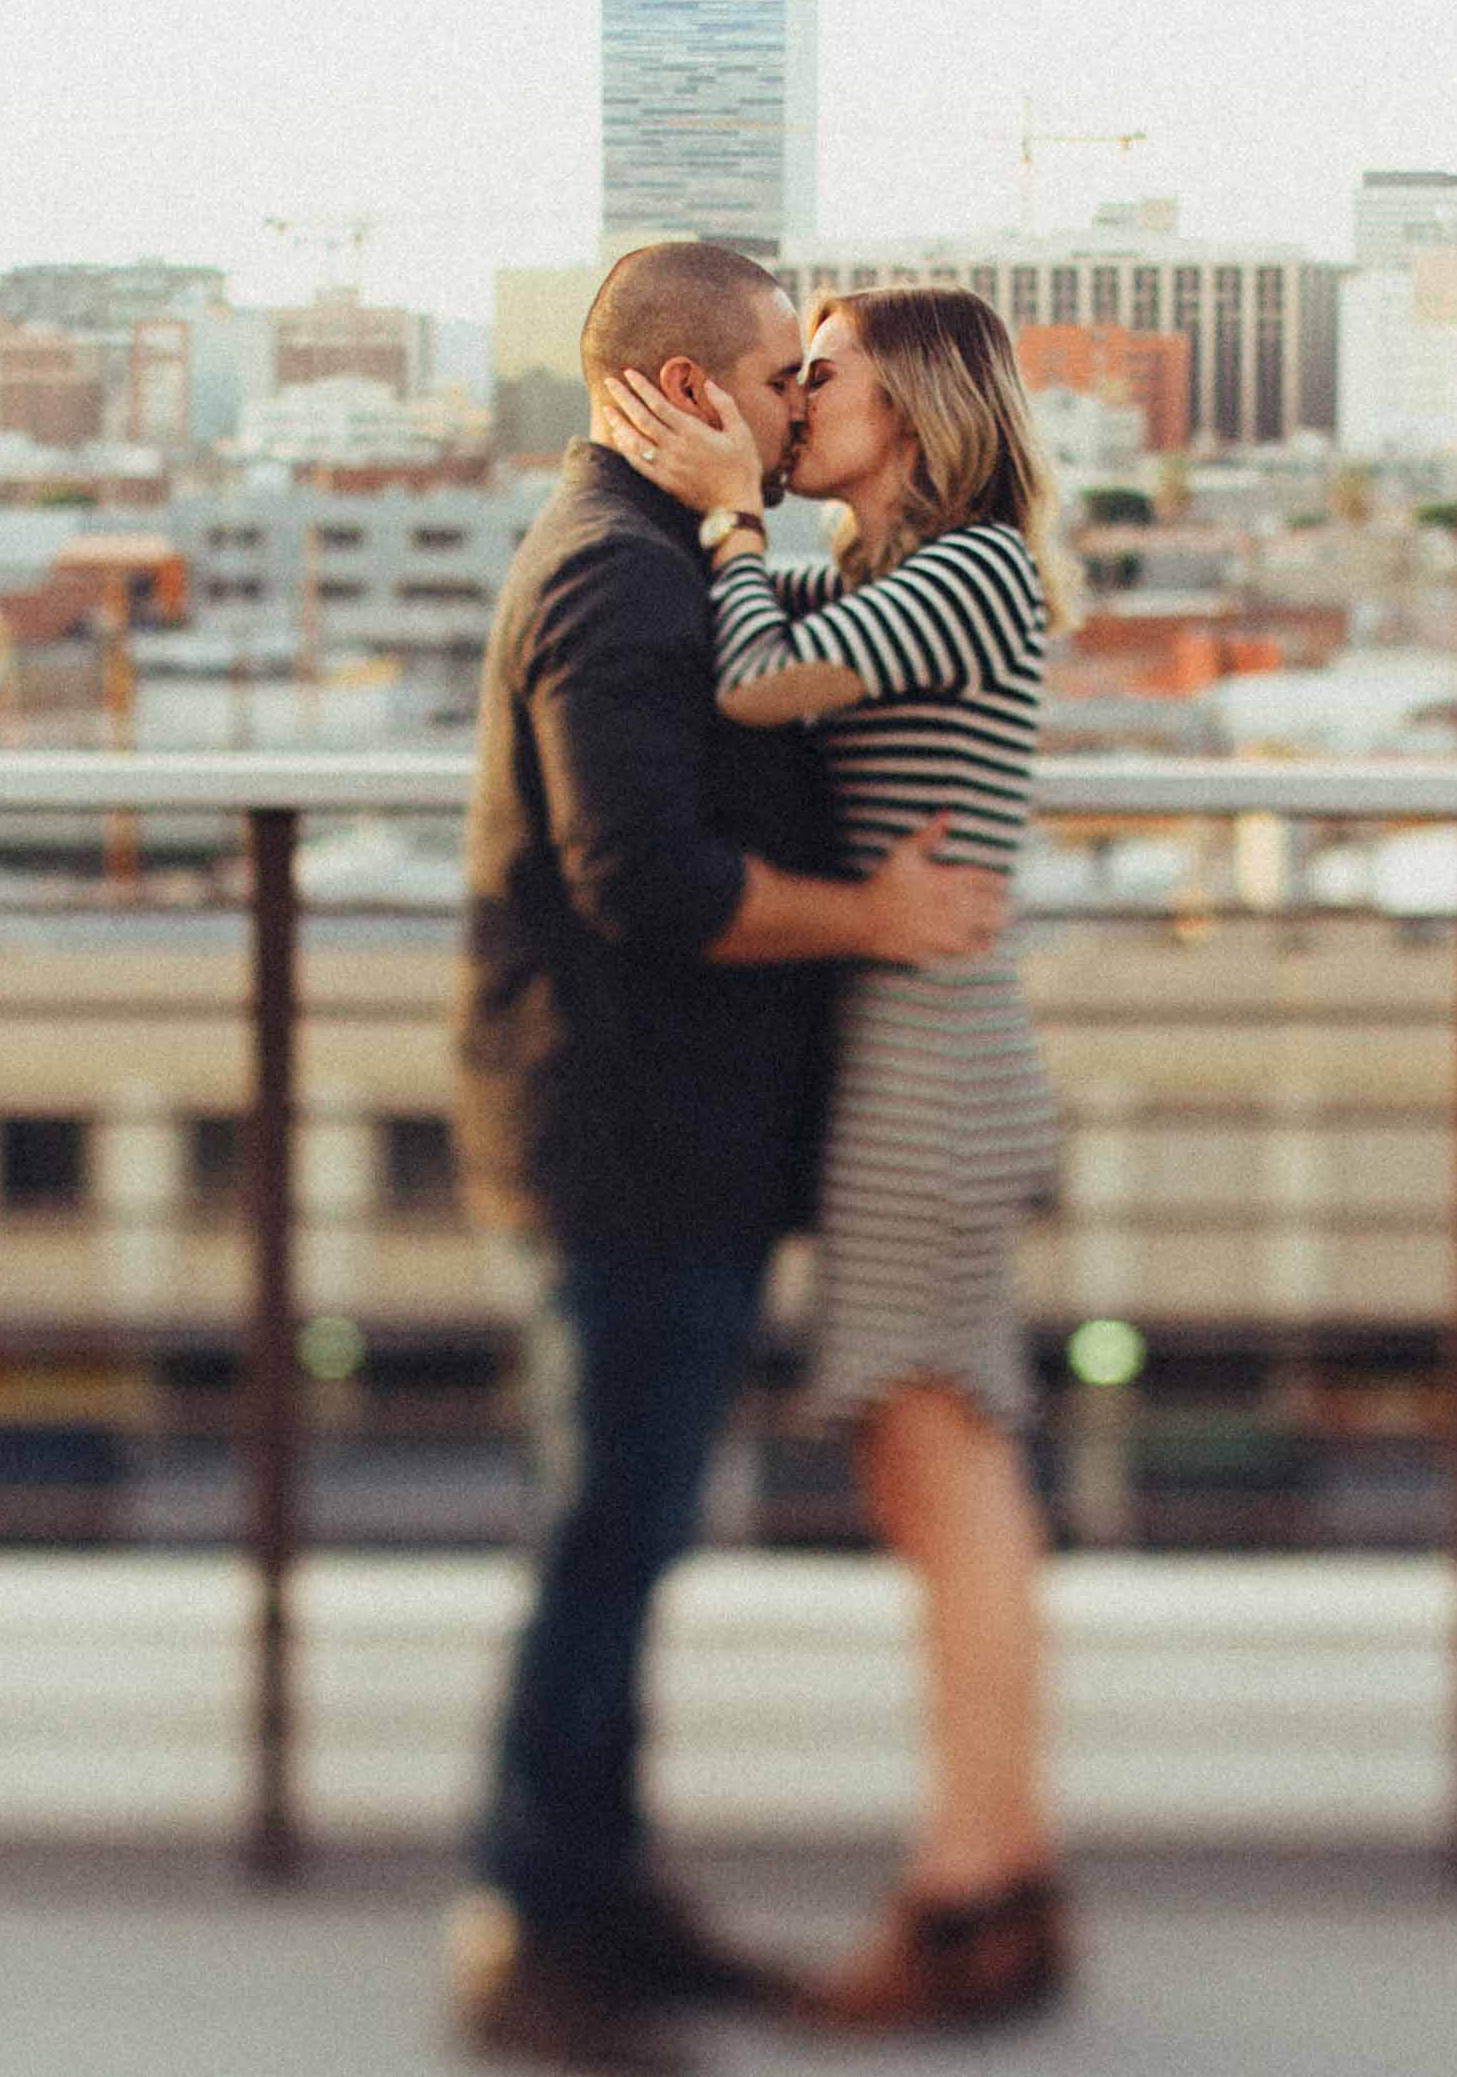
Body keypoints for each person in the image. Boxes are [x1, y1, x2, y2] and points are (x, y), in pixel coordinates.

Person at [449, 240, 1014, 2074]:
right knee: (607, 1534)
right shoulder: (622, 580)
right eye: (785, 375)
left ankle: (602, 1896)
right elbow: (648, 881)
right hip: (629, 1136)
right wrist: (868, 915)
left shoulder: (678, 547)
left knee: (625, 1524)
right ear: (695, 391)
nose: (800, 402)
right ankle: (536, 1926)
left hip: (672, 1128)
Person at [597, 285, 1072, 2032]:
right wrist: (710, 504)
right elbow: (748, 625)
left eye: (822, 374)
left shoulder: (975, 568)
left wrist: (726, 510)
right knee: (927, 1473)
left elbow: (746, 676)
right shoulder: (879, 577)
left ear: (922, 403)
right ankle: (997, 1877)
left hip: (931, 1061)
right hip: (906, 1052)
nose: (791, 398)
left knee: (943, 1483)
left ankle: (972, 1893)